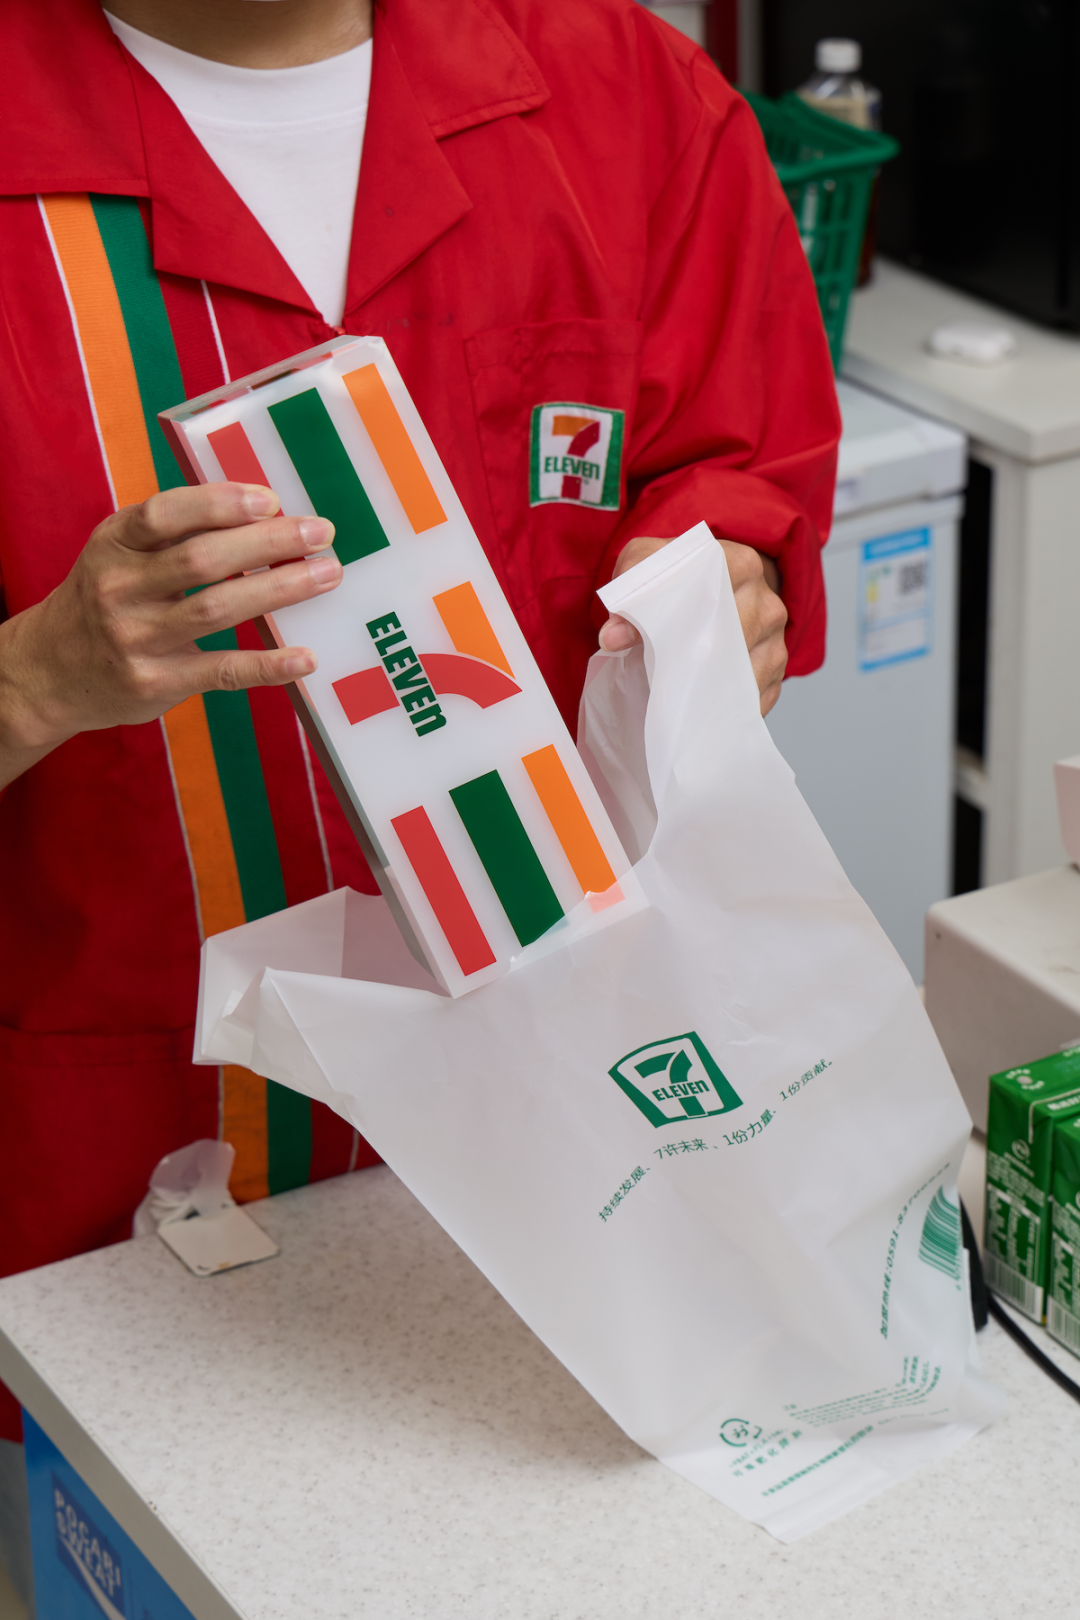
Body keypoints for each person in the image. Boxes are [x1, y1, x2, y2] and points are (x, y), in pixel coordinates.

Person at [0, 0, 838, 1596]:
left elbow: (739, 469)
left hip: (582, 1167)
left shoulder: (628, 98)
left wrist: (730, 586)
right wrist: (34, 678)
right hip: (115, 1215)